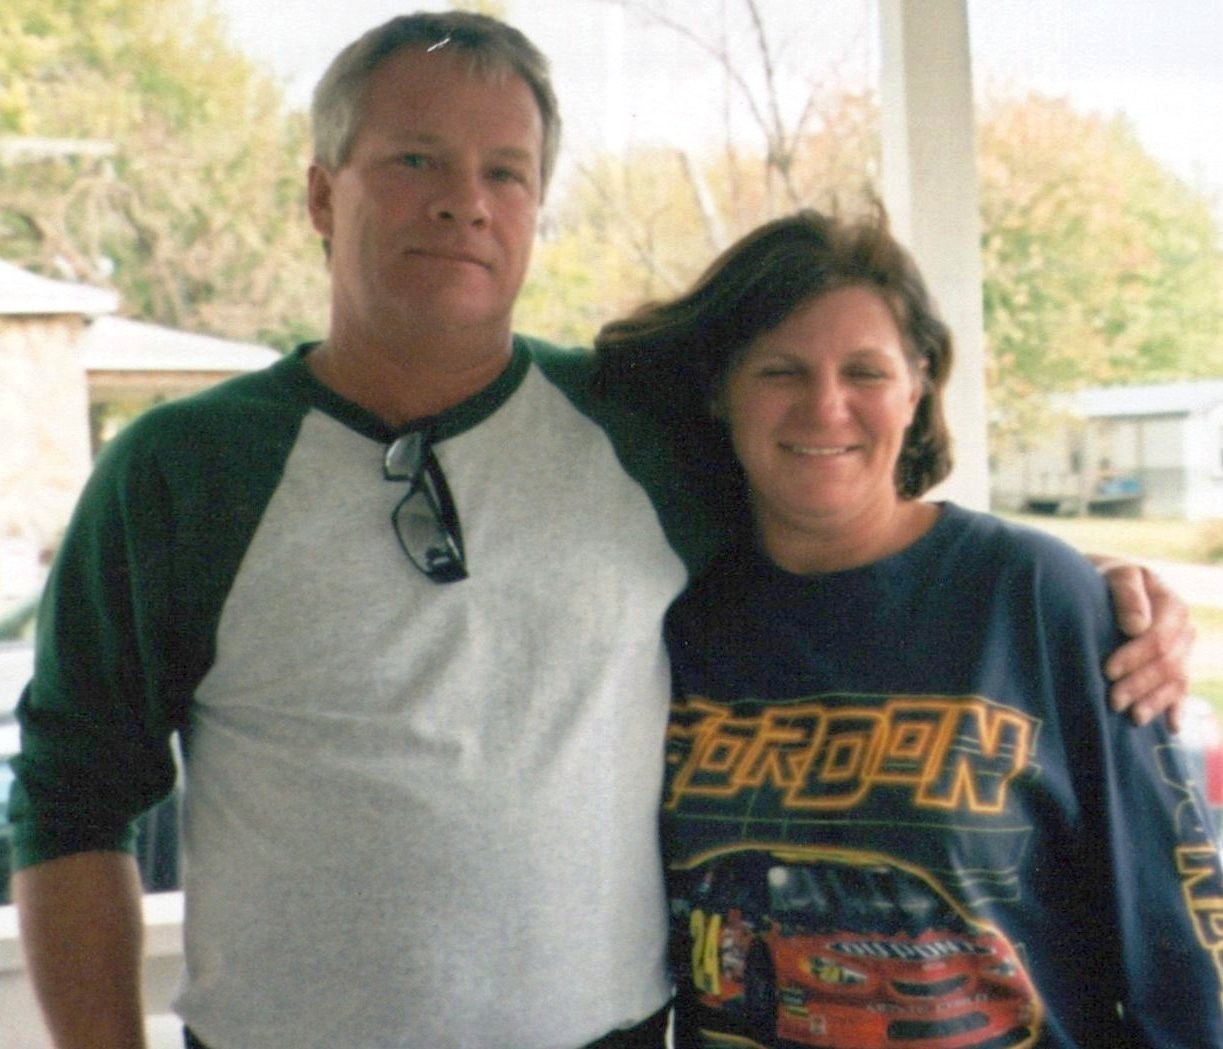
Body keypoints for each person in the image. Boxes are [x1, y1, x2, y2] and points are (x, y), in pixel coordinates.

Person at [6, 12, 1191, 1049]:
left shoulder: (639, 434)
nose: (464, 199)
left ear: (535, 206)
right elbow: (69, 796)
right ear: (322, 192)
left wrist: (1081, 598)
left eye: (505, 171)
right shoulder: (179, 471)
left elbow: (841, 508)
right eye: (414, 158)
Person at [592, 209, 1223, 1047]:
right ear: (720, 390)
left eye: (865, 371)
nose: (826, 407)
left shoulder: (1037, 599)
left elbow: (1181, 958)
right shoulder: (668, 620)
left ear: (916, 387)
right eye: (780, 370)